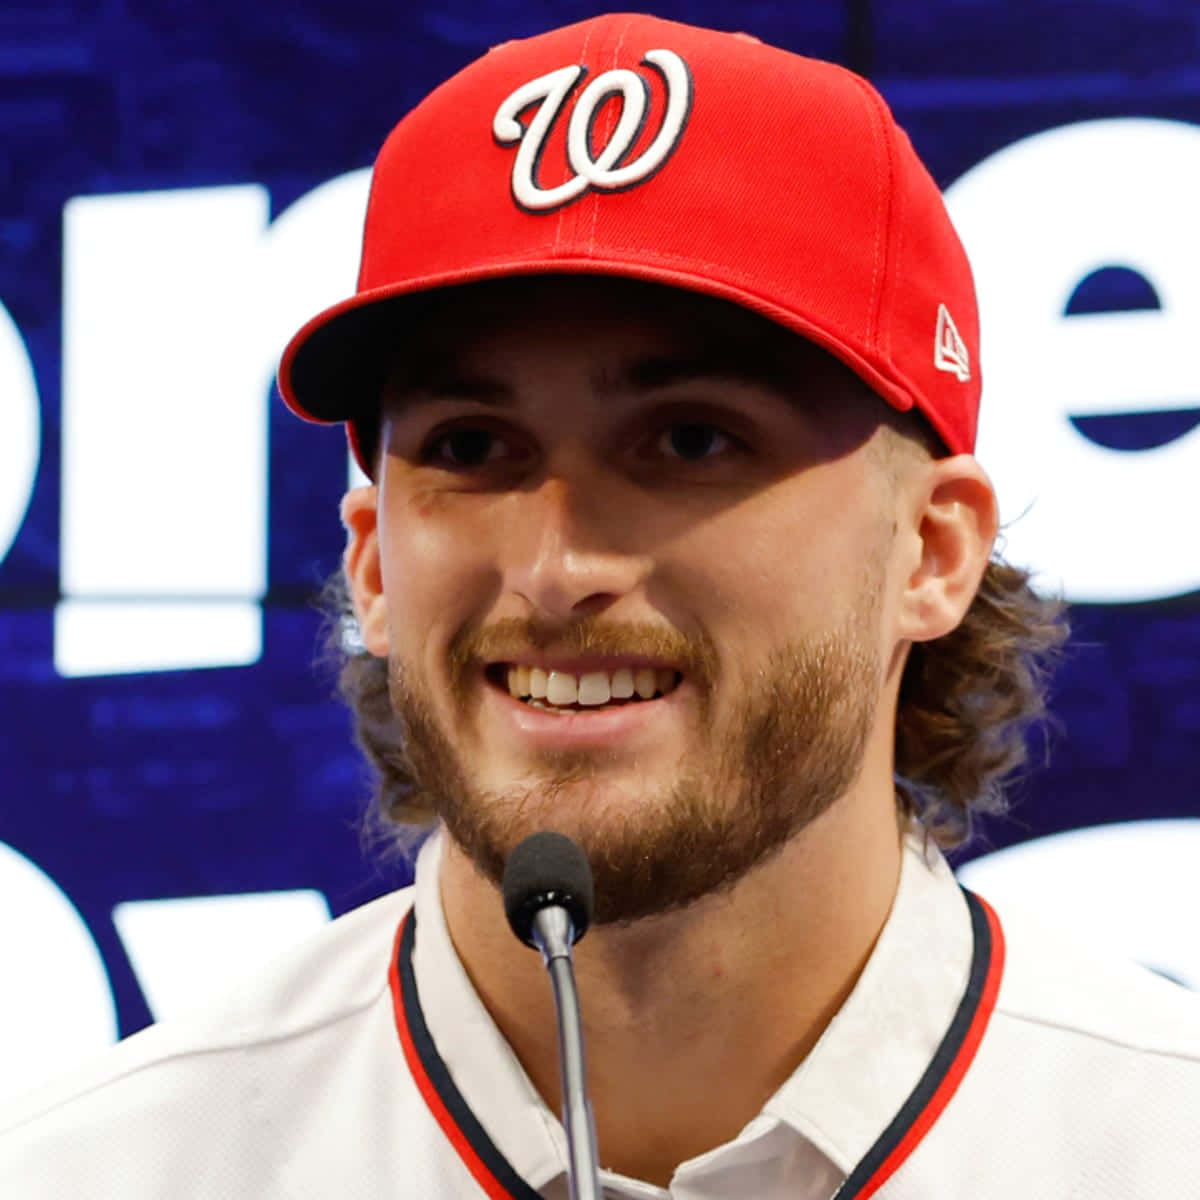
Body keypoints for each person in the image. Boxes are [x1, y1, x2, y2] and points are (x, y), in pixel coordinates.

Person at [3, 12, 1199, 1198]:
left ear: (931, 553)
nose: (557, 566)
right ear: (370, 563)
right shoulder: (97, 1170)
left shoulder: (1159, 1139)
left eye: (689, 440)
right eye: (474, 447)